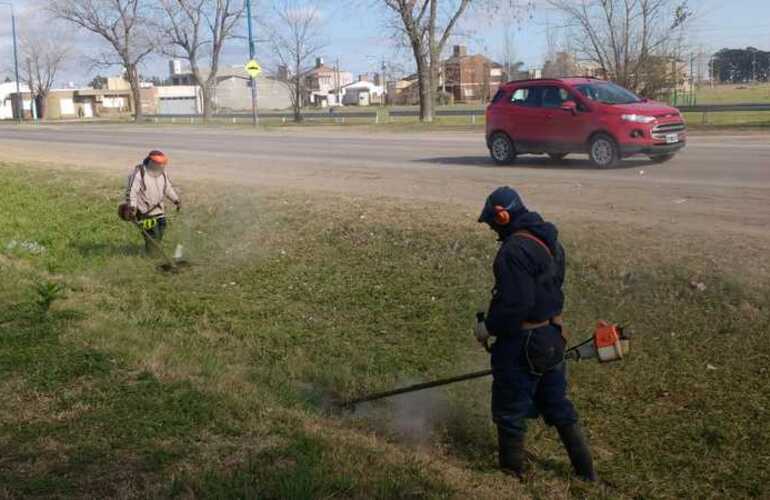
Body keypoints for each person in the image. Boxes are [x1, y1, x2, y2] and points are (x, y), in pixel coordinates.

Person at [474, 186, 596, 482]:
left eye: (493, 223)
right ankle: (586, 473)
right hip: (552, 337)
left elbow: (517, 305)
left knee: (509, 409)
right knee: (558, 405)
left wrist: (488, 327)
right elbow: (551, 288)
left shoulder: (512, 252)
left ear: (503, 217)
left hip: (523, 343)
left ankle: (511, 472)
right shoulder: (549, 240)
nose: (493, 230)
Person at [125, 150, 181, 254]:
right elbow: (131, 192)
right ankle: (153, 256)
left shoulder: (162, 173)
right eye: (158, 164)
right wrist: (132, 208)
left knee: (160, 231)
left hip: (159, 211)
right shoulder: (139, 174)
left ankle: (154, 251)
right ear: (151, 162)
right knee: (152, 235)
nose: (161, 166)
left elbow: (167, 188)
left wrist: (176, 200)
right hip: (145, 213)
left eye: (162, 164)